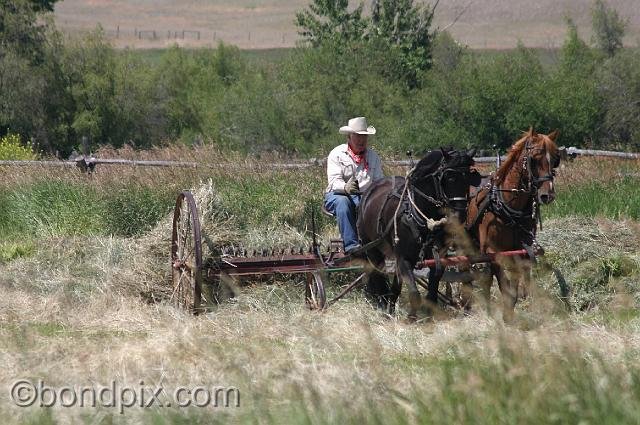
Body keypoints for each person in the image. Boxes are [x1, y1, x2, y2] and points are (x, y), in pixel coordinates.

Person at [324, 117, 384, 253]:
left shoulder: (373, 157)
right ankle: (351, 246)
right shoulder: (337, 154)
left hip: (365, 197)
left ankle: (376, 243)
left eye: (364, 136)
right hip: (337, 194)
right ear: (349, 137)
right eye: (357, 136)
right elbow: (333, 182)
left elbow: (379, 181)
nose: (361, 140)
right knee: (343, 202)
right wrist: (346, 188)